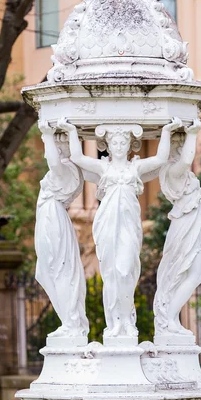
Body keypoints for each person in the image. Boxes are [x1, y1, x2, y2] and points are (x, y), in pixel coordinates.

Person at [58, 117, 181, 339]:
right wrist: (69, 130)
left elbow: (161, 157)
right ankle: (115, 324)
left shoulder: (136, 167)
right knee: (112, 274)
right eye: (114, 142)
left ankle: (127, 321)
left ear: (130, 144)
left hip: (129, 225)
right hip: (107, 224)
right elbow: (77, 157)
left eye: (123, 142)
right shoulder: (103, 167)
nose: (119, 146)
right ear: (108, 145)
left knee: (126, 271)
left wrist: (168, 131)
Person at [35, 120, 89, 338]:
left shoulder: (67, 170)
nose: (49, 153)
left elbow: (54, 164)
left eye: (56, 146)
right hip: (48, 217)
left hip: (53, 218)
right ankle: (68, 320)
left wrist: (48, 134)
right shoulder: (66, 169)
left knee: (59, 271)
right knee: (45, 272)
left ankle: (71, 322)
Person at [154, 118, 201, 337]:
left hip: (191, 222)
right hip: (185, 224)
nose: (187, 148)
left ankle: (171, 318)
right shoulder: (174, 171)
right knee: (190, 274)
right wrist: (193, 133)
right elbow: (186, 161)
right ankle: (168, 319)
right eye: (183, 144)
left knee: (194, 275)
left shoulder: (182, 174)